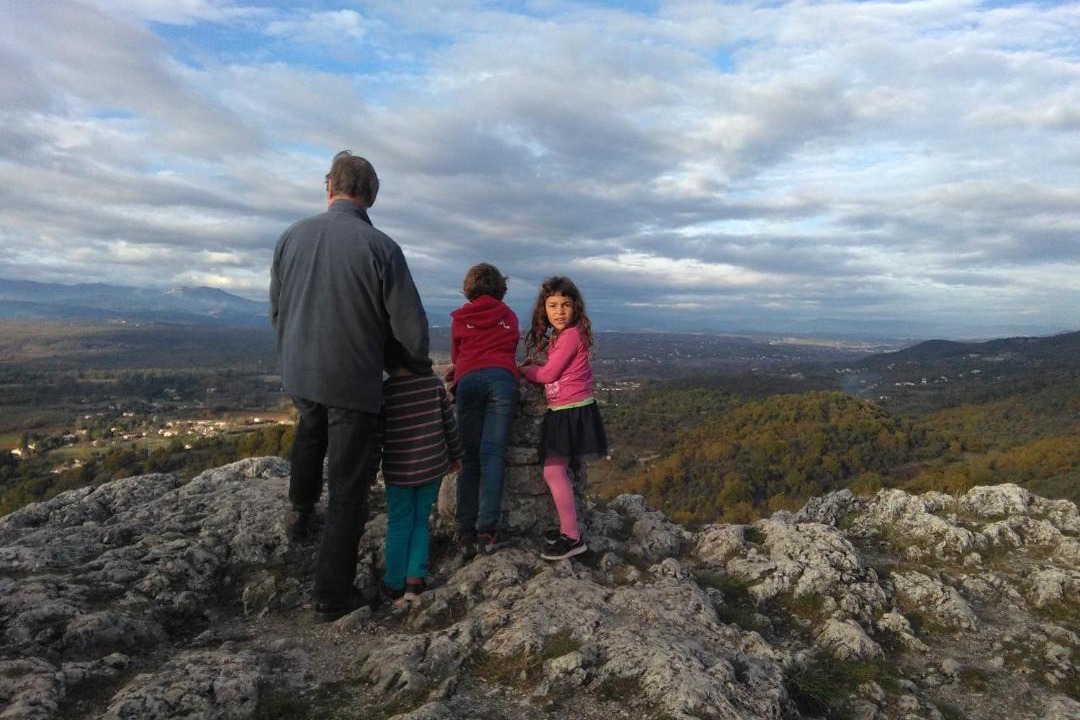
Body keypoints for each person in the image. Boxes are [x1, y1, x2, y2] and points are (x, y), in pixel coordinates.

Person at [270, 150, 431, 621]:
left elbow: (277, 310)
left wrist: (292, 355)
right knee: (347, 488)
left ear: (330, 187)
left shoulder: (290, 237)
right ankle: (331, 594)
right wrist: (409, 365)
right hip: (354, 382)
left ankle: (299, 512)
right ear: (371, 196)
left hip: (300, 369)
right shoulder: (381, 248)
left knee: (310, 428)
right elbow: (413, 332)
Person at [520, 276, 607, 561]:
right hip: (569, 410)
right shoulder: (563, 336)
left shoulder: (570, 335)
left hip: (571, 411)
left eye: (566, 305)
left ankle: (572, 537)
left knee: (553, 472)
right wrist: (538, 364)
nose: (559, 311)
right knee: (557, 471)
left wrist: (521, 371)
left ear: (575, 308)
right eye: (553, 305)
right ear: (543, 309)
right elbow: (554, 367)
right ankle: (569, 530)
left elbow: (548, 376)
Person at [377, 341, 463, 604]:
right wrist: (456, 454)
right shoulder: (433, 386)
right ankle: (415, 579)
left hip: (398, 471)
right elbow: (449, 423)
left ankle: (393, 583)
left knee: (399, 523)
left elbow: (378, 435)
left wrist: (369, 468)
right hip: (431, 467)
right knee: (420, 520)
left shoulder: (385, 392)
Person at [446, 263, 520, 558]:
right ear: (500, 286)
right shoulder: (509, 316)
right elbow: (511, 348)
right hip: (502, 379)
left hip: (468, 380)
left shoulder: (460, 318)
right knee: (493, 454)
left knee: (467, 455)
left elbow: (456, 354)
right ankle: (488, 530)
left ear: (469, 287)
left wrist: (463, 367)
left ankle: (465, 533)